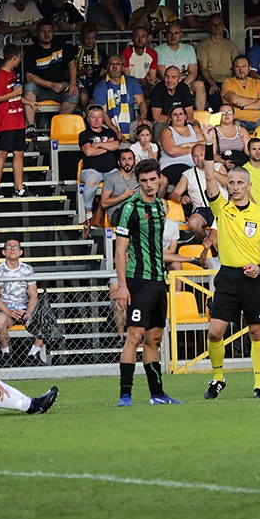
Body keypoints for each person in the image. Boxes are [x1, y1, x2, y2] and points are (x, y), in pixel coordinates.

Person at [195, 125, 260, 399]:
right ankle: (218, 379)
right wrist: (209, 146)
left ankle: (259, 384)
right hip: (229, 277)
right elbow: (208, 175)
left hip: (254, 277)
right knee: (215, 332)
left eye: (240, 183)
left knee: (257, 332)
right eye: (231, 183)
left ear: (249, 185)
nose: (235, 187)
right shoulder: (222, 207)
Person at [112, 159, 181, 406]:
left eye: (153, 180)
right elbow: (120, 251)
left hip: (158, 280)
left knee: (155, 338)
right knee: (135, 335)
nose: (150, 185)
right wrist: (122, 286)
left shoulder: (162, 207)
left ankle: (157, 394)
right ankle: (125, 394)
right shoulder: (130, 208)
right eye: (144, 181)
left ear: (159, 179)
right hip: (138, 279)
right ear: (138, 182)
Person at [0, 239, 44, 368]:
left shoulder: (28, 270)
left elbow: (34, 294)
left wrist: (28, 311)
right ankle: (6, 354)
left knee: (46, 319)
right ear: (4, 252)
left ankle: (33, 354)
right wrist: (10, 312)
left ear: (21, 252)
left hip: (24, 309)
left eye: (15, 247)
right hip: (6, 310)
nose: (12, 249)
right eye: (9, 247)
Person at [22, 20, 78, 136]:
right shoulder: (32, 51)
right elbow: (29, 76)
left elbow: (72, 64)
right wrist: (50, 84)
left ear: (53, 32)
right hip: (40, 90)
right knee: (28, 87)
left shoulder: (60, 44)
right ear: (37, 33)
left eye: (49, 31)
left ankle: (57, 126)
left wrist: (73, 83)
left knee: (74, 93)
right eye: (43, 32)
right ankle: (31, 127)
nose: (46, 34)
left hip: (60, 87)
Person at [0, 45, 32, 198]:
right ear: (13, 58)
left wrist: (29, 102)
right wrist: (14, 92)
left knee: (19, 153)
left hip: (18, 121)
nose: (20, 60)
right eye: (18, 57)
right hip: (5, 121)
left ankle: (18, 187)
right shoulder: (0, 75)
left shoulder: (13, 73)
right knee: (2, 153)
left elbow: (15, 97)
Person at [169, 143, 226, 242]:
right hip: (201, 210)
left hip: (220, 207)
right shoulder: (188, 174)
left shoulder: (218, 167)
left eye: (201, 155)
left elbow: (227, 182)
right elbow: (173, 194)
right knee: (193, 223)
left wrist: (210, 169)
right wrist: (180, 198)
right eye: (195, 156)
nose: (199, 158)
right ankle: (207, 244)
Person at [79, 105, 122, 222]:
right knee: (92, 181)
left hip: (111, 170)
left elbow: (115, 146)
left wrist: (97, 145)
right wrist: (107, 146)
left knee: (121, 181)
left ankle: (119, 211)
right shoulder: (84, 134)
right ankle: (88, 211)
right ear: (88, 119)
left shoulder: (110, 132)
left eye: (99, 117)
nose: (97, 120)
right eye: (93, 117)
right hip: (91, 170)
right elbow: (88, 151)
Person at [92, 54, 148, 142]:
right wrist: (116, 130)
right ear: (107, 67)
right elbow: (103, 113)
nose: (115, 66)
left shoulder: (132, 82)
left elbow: (141, 102)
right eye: (111, 64)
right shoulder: (100, 87)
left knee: (145, 130)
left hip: (131, 124)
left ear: (122, 67)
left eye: (118, 64)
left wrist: (143, 118)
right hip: (109, 126)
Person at [155, 22, 205, 112]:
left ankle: (200, 115)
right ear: (166, 35)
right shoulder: (159, 50)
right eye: (170, 33)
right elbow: (163, 74)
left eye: (176, 33)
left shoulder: (189, 49)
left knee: (200, 85)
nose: (173, 36)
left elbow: (193, 72)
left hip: (186, 82)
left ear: (181, 35)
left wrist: (184, 87)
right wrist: (180, 88)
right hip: (168, 83)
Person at [196, 15, 239, 111]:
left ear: (224, 27)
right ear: (209, 28)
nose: (217, 26)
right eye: (213, 24)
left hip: (228, 80)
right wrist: (212, 84)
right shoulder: (204, 45)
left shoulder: (231, 45)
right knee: (215, 100)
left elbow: (236, 67)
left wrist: (234, 83)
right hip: (211, 80)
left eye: (219, 24)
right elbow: (203, 68)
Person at [0, 0, 42, 66]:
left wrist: (24, 33)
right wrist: (25, 27)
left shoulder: (31, 6)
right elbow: (3, 30)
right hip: (5, 54)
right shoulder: (7, 8)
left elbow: (38, 25)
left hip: (24, 54)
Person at [158, 105, 201, 193]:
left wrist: (184, 146)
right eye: (175, 114)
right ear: (170, 118)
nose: (178, 117)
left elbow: (204, 144)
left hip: (196, 164)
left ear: (185, 116)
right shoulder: (166, 131)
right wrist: (194, 149)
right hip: (173, 165)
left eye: (181, 114)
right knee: (188, 175)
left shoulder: (194, 128)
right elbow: (172, 151)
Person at [222, 55, 260, 131]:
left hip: (258, 122)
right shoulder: (228, 83)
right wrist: (256, 100)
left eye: (244, 66)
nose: (241, 70)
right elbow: (235, 100)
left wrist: (243, 107)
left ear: (249, 68)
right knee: (235, 125)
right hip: (238, 121)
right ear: (233, 69)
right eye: (237, 67)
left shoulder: (256, 82)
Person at [148, 66, 194, 137]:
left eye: (173, 77)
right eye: (167, 76)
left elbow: (189, 115)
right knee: (159, 127)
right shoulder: (158, 89)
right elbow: (157, 117)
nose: (169, 80)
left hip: (178, 121)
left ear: (179, 79)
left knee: (194, 124)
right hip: (162, 123)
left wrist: (177, 121)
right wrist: (177, 119)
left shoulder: (184, 88)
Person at [100, 149, 139, 227]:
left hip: (136, 212)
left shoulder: (139, 178)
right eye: (124, 159)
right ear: (119, 162)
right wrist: (123, 196)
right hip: (117, 213)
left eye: (130, 159)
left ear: (134, 161)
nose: (127, 162)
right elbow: (103, 203)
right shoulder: (111, 178)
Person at [74, 22, 109, 106]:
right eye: (87, 38)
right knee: (83, 97)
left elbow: (107, 68)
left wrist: (104, 73)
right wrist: (83, 72)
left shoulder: (101, 52)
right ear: (82, 37)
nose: (90, 41)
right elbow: (66, 74)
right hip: (80, 84)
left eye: (93, 38)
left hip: (98, 84)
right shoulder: (74, 51)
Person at [122, 26, 159, 96]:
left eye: (143, 36)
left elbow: (152, 77)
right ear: (132, 39)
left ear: (147, 39)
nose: (140, 39)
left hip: (146, 87)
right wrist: (143, 81)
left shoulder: (153, 54)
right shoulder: (125, 53)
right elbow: (128, 79)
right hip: (130, 87)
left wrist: (149, 81)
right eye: (137, 36)